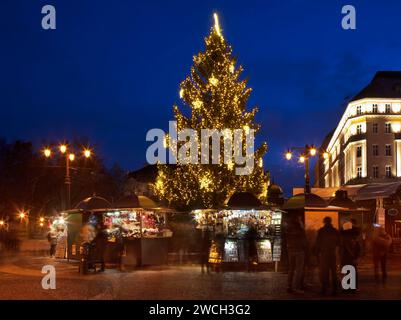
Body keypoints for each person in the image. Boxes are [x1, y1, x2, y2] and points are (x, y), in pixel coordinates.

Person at [314, 216, 341, 296]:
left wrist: (316, 253)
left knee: (324, 272)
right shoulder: (335, 231)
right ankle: (334, 289)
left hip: (324, 254)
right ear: (331, 221)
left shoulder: (321, 231)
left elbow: (317, 243)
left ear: (324, 222)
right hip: (332, 254)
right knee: (334, 272)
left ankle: (324, 289)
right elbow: (339, 243)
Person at [286, 216, 308, 294]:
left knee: (291, 269)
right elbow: (304, 241)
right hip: (299, 251)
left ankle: (289, 285)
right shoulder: (300, 230)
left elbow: (287, 240)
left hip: (290, 250)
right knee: (299, 270)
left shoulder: (288, 230)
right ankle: (296, 287)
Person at [340, 221, 361, 292]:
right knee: (353, 272)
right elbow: (358, 248)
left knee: (346, 272)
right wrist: (357, 257)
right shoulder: (354, 238)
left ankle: (346, 287)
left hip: (345, 258)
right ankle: (353, 287)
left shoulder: (343, 238)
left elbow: (341, 249)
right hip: (352, 258)